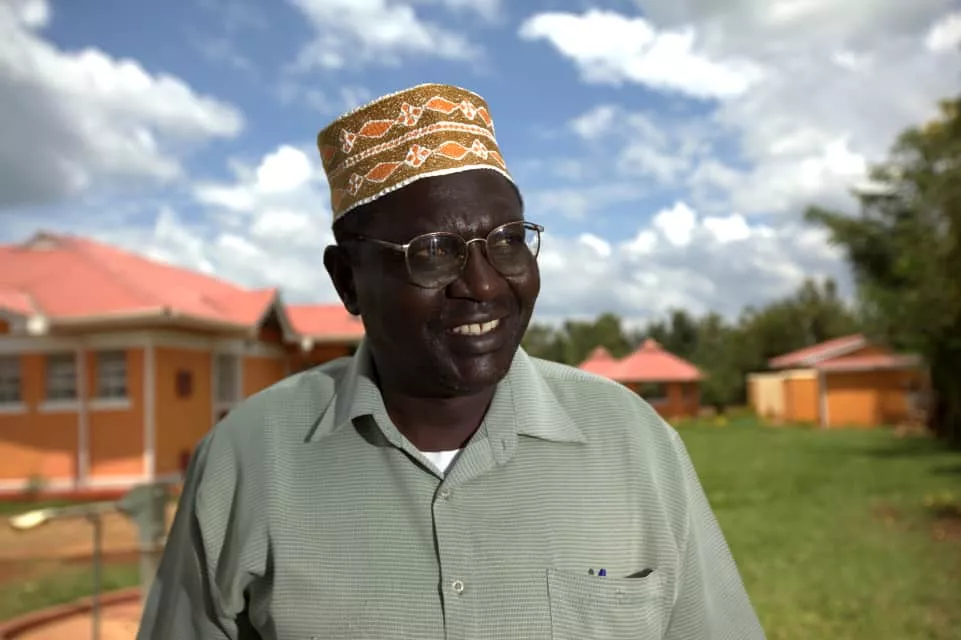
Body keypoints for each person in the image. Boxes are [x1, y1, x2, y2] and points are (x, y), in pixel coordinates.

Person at [137, 83, 765, 639]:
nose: (485, 285)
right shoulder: (248, 459)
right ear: (348, 279)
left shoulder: (632, 441)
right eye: (434, 251)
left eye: (508, 241)